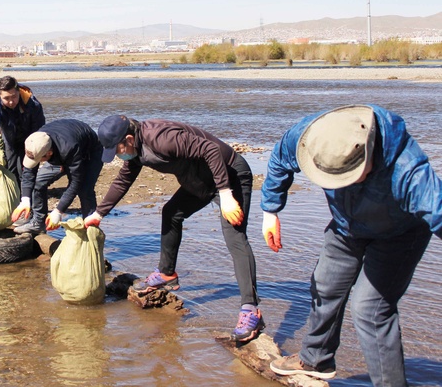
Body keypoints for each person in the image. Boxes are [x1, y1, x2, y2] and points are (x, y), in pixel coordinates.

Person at [261, 105, 442, 384]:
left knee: (370, 309)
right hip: (346, 226)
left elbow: (439, 212)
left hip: (400, 234)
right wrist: (270, 212)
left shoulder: (408, 172)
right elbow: (280, 158)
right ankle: (315, 359)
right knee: (324, 286)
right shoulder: (310, 136)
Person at [94, 115, 263, 343]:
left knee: (234, 237)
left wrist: (225, 194)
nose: (117, 155)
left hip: (230, 176)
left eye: (118, 149)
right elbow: (123, 180)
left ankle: (250, 309)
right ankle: (166, 273)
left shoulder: (161, 138)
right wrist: (98, 214)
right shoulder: (136, 151)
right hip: (199, 181)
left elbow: (210, 149)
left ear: (129, 139)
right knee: (171, 213)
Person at [12, 119, 104, 235]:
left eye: (39, 159)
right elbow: (29, 172)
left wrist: (58, 211)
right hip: (61, 150)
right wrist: (25, 200)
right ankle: (38, 223)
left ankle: (91, 230)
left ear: (49, 153)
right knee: (39, 181)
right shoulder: (36, 141)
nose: (37, 162)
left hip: (90, 152)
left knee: (85, 190)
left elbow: (75, 182)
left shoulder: (69, 148)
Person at [0, 75, 45, 184]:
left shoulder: (31, 102)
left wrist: (35, 146)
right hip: (10, 138)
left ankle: (29, 194)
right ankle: (15, 193)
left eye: (14, 97)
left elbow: (39, 128)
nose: (11, 102)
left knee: (29, 168)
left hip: (30, 137)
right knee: (10, 167)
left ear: (18, 92)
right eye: (6, 98)